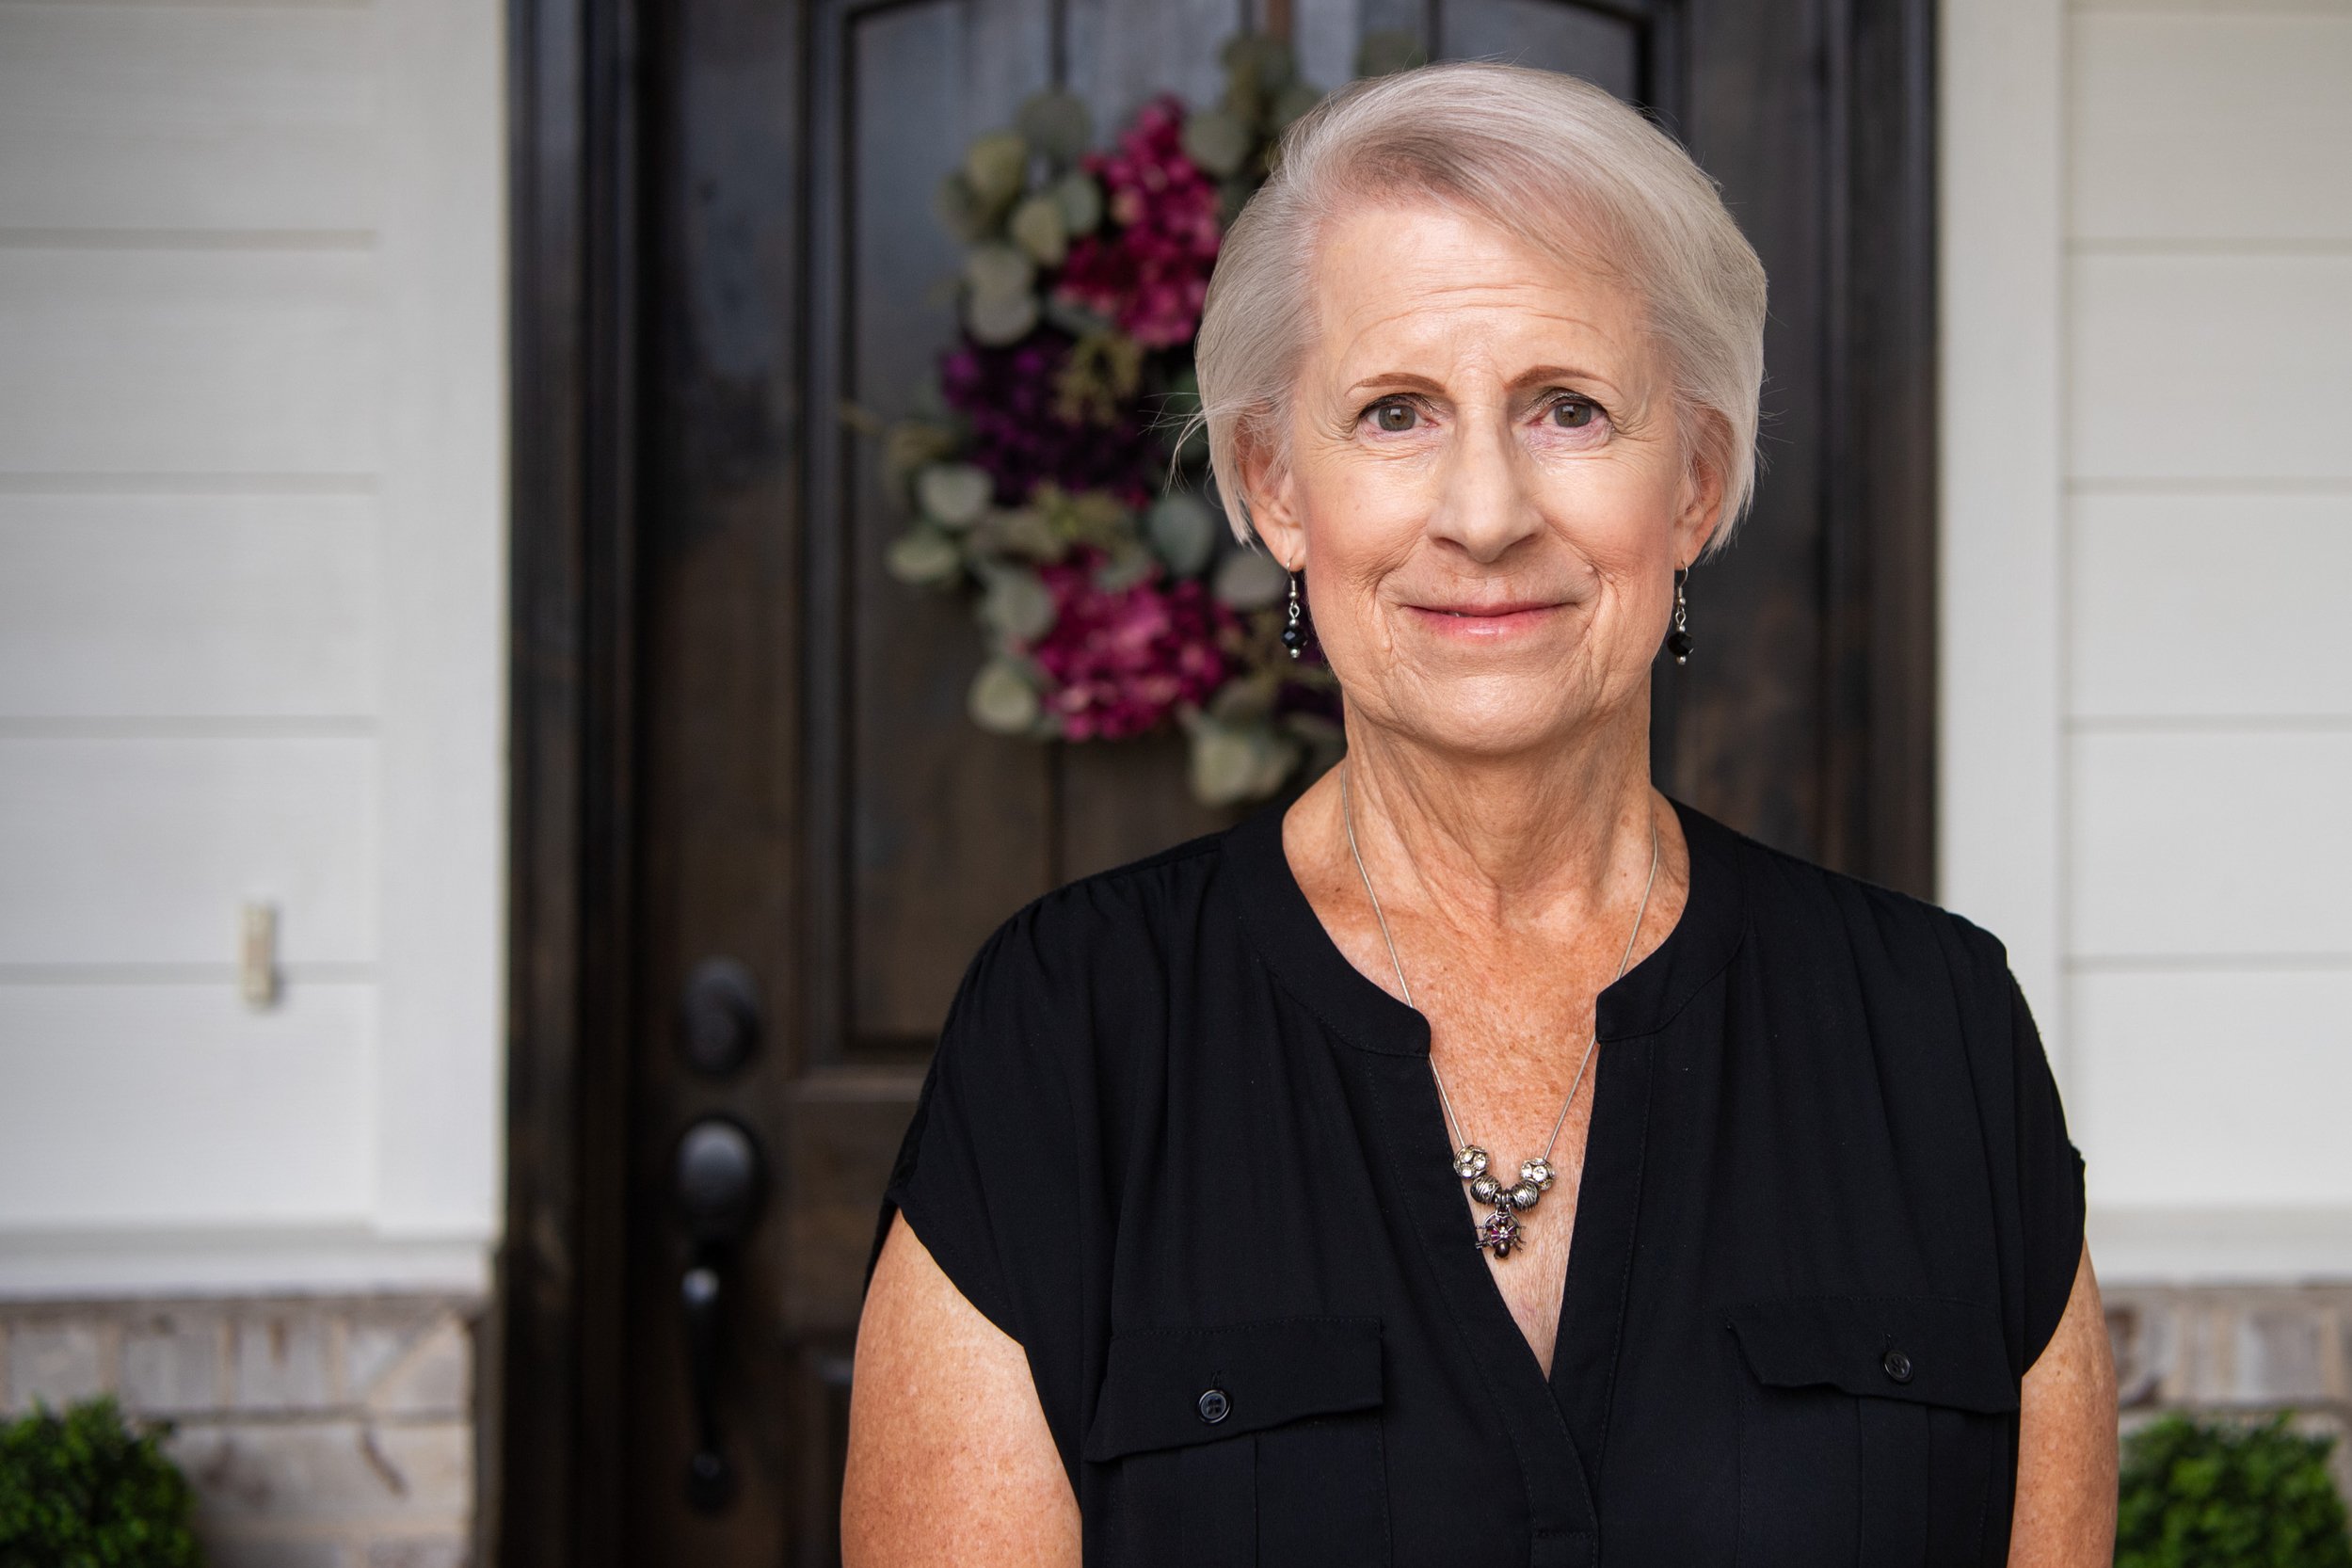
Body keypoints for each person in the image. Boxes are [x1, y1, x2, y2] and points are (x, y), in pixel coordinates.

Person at [843, 60, 2117, 1567]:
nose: (1488, 511)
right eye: (1394, 412)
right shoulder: (1070, 1038)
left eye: (1568, 407)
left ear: (1696, 480)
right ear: (1274, 484)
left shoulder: (1937, 1033)